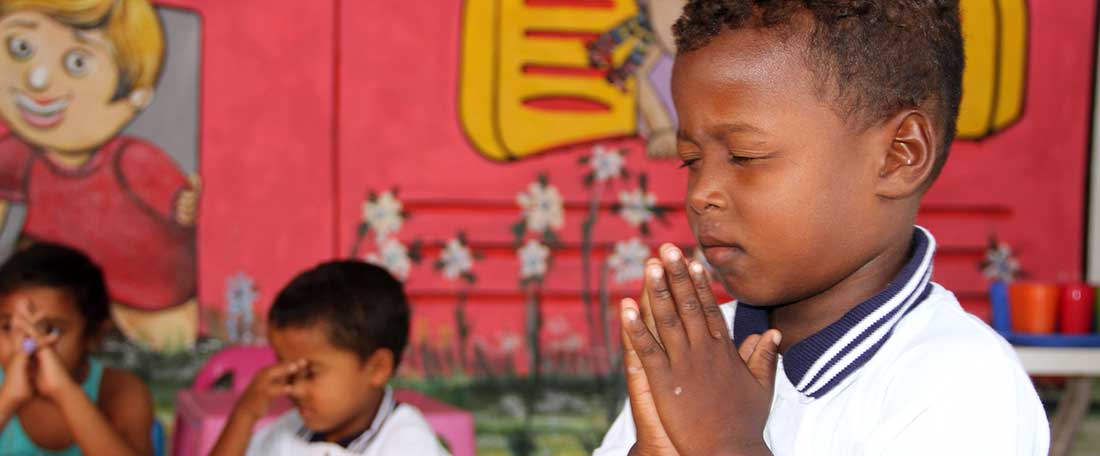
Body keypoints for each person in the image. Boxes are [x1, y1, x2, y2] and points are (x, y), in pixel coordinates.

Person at [595, 1, 1049, 455]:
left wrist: (727, 443)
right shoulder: (699, 356)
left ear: (898, 156)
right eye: (691, 160)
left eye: (745, 155)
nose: (701, 193)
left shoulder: (962, 383)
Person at [212, 260, 449, 456]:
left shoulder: (408, 444)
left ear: (377, 368)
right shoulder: (289, 431)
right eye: (288, 371)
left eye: (310, 373)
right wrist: (245, 415)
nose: (296, 388)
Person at [0, 242, 154, 455]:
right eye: (8, 327)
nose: (28, 345)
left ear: (93, 335)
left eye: (50, 329)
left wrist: (63, 391)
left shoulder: (119, 392)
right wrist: (7, 400)